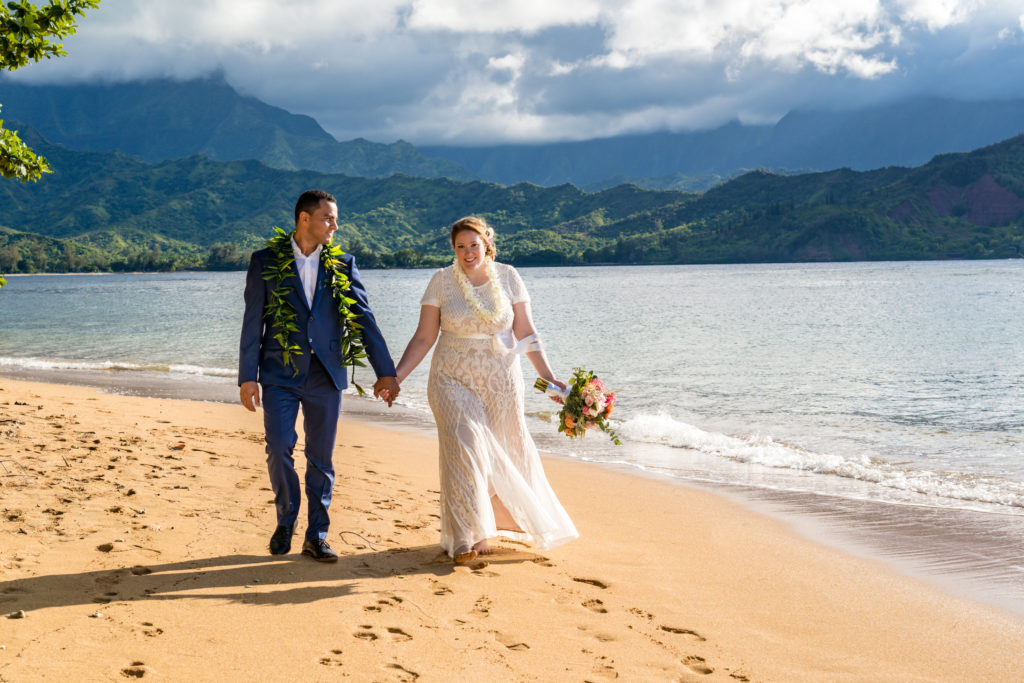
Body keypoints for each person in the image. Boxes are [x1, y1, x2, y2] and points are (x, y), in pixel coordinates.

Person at [390, 216, 578, 563]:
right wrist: (396, 376)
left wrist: (550, 379)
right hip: (452, 377)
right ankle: (464, 536)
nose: (467, 253)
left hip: (501, 380)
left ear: (487, 243)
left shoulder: (508, 277)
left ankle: (486, 531)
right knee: (465, 446)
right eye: (460, 247)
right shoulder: (442, 282)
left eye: (473, 245)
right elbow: (424, 337)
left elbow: (526, 331)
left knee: (507, 447)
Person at [239, 189, 400, 562]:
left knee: (321, 458)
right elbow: (252, 322)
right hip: (279, 372)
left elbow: (364, 319)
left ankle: (317, 534)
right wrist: (247, 376)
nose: (335, 225)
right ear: (304, 219)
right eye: (328, 217)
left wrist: (386, 373)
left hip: (326, 375)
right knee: (279, 448)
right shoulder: (265, 261)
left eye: (335, 218)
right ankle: (285, 521)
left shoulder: (343, 263)